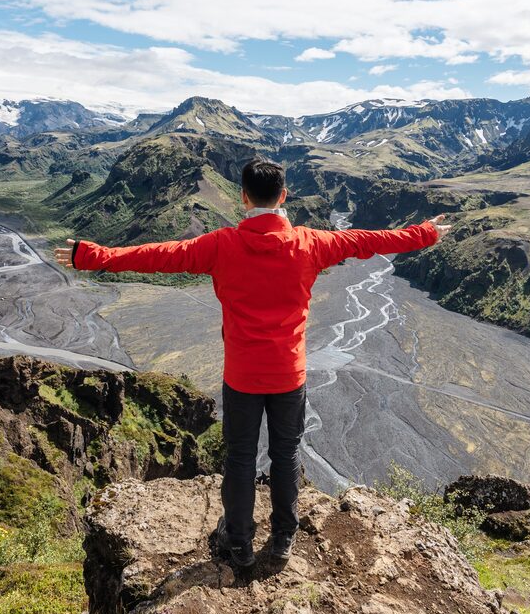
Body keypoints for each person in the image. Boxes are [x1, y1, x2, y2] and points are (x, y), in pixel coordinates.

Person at [54, 158, 450, 570]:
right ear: (284, 196)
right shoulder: (310, 243)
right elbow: (368, 241)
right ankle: (282, 539)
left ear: (242, 197)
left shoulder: (221, 244)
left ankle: (239, 543)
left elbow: (158, 255)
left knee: (240, 458)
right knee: (286, 454)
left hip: (242, 376)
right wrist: (425, 233)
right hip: (288, 375)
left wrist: (92, 255)